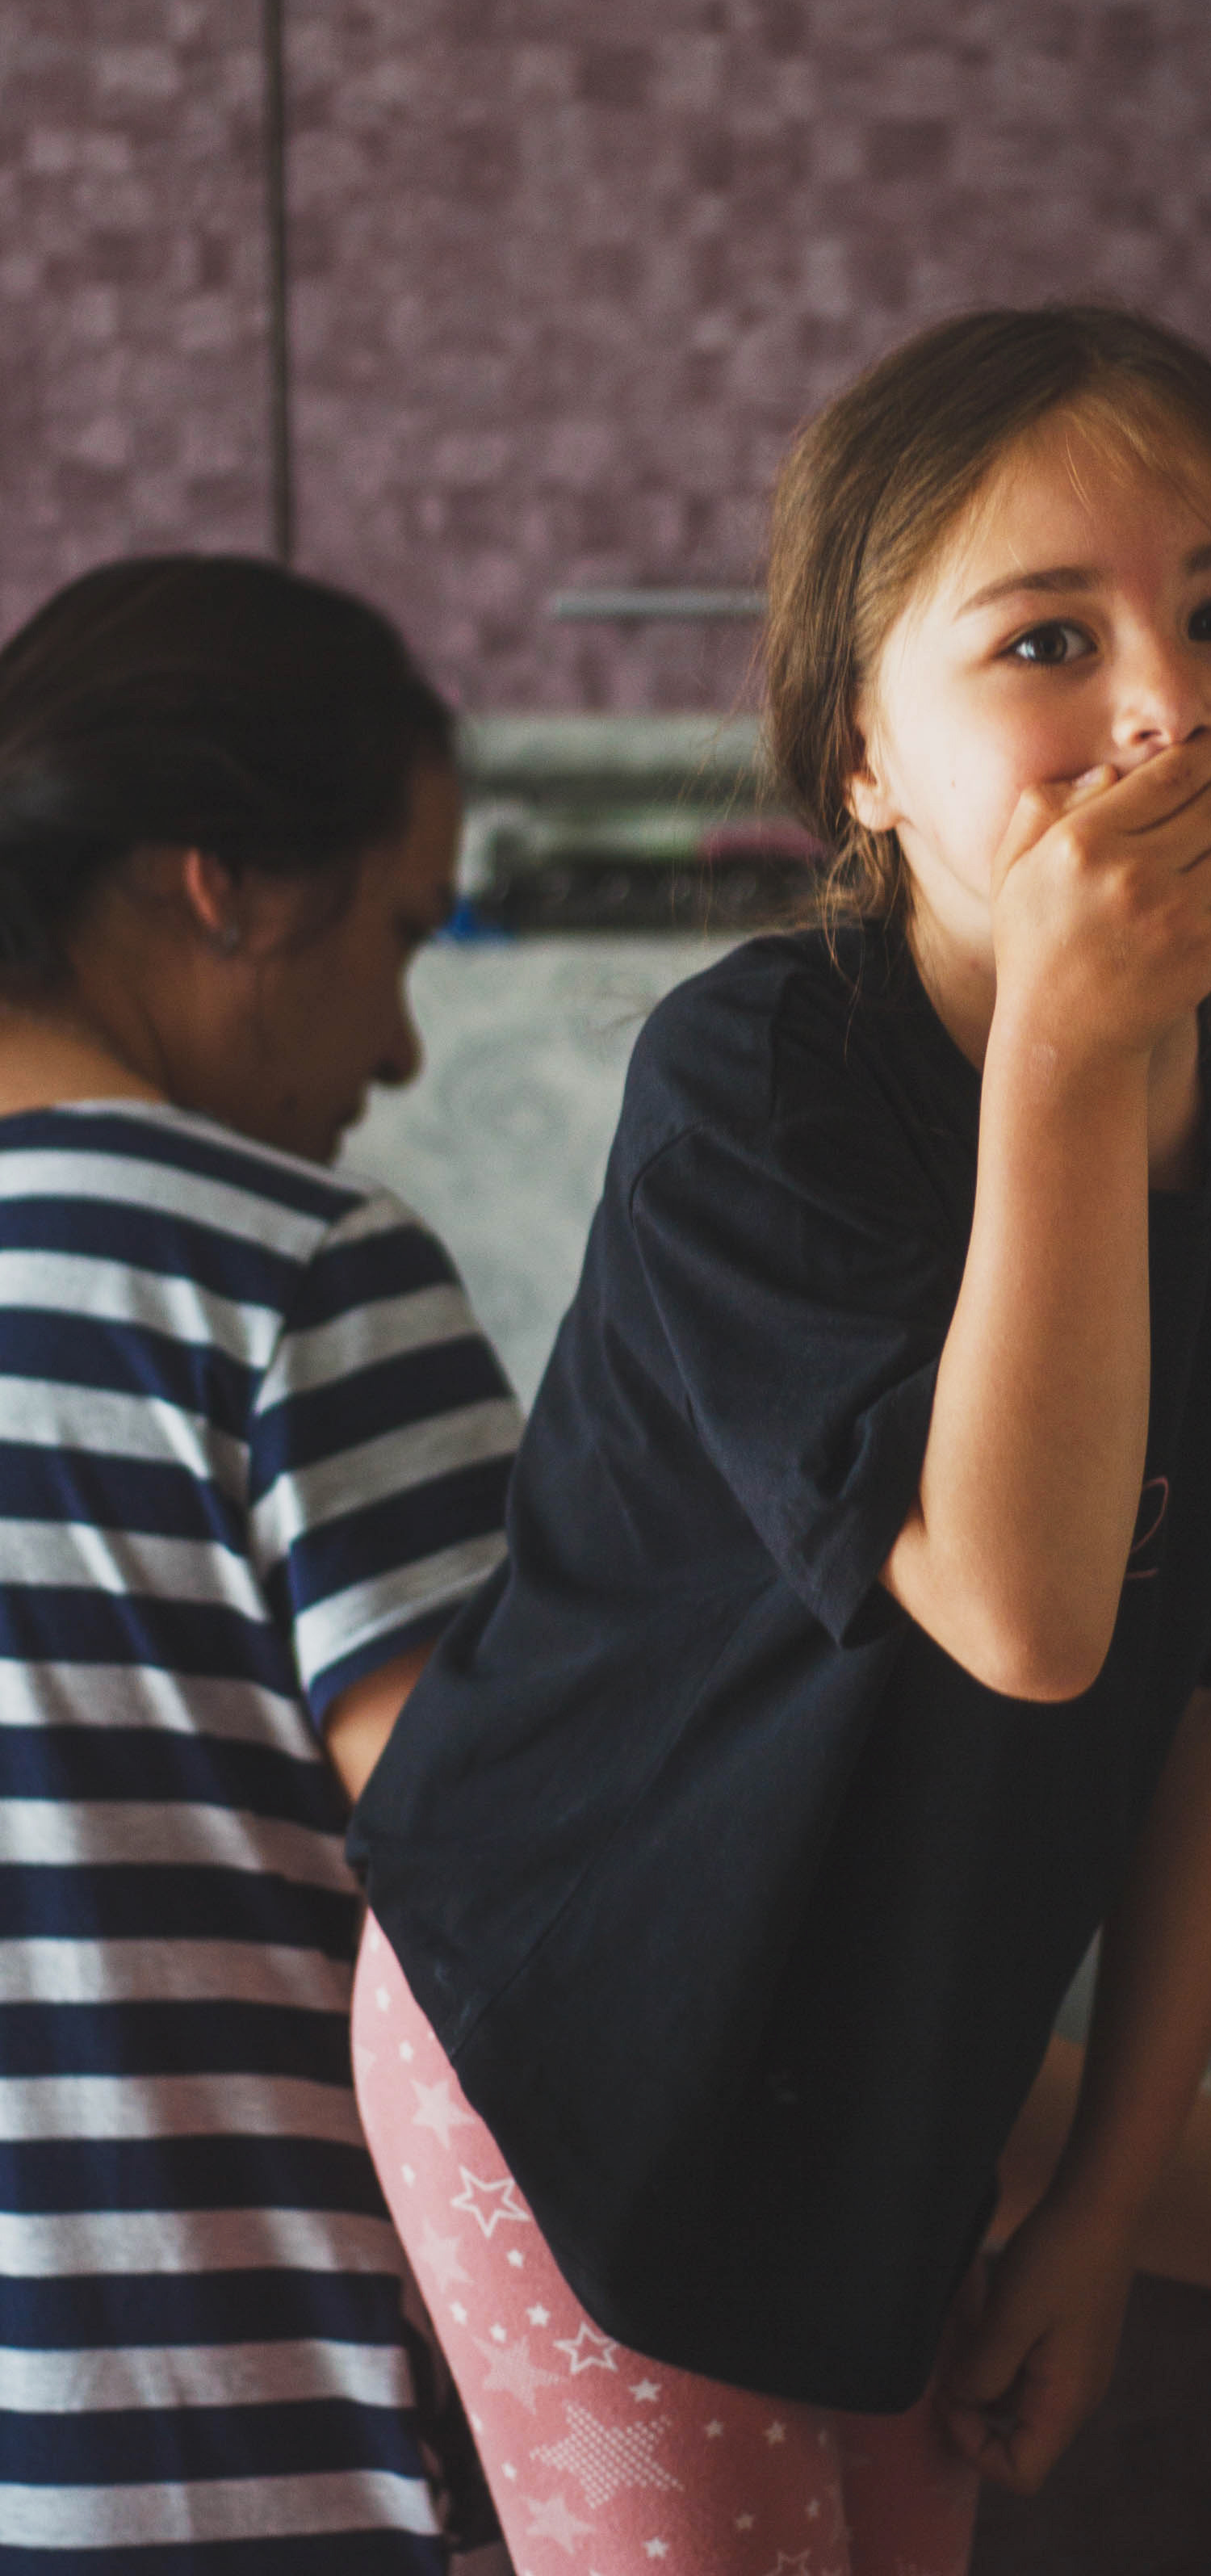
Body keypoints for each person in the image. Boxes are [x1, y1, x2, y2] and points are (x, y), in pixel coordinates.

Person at [349, 306, 1211, 2576]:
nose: (1166, 700)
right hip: (580, 2039)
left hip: (893, 2093)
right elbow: (1027, 1616)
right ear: (861, 760)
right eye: (1048, 639)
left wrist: (1099, 2204)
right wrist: (1062, 1044)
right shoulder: (763, 1088)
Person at [0, 556, 522, 2569]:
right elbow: (560, 1954)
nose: (393, 1045)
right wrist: (1206, 2187)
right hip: (256, 2479)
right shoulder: (286, 1276)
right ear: (214, 879)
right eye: (398, 933)